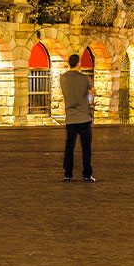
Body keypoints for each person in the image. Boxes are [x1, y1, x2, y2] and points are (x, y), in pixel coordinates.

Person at [60, 53, 95, 181]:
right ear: (79, 63)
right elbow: (92, 94)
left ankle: (67, 174)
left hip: (70, 118)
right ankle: (87, 175)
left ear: (69, 63)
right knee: (86, 147)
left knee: (69, 147)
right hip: (84, 118)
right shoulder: (85, 78)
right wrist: (88, 97)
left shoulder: (63, 78)